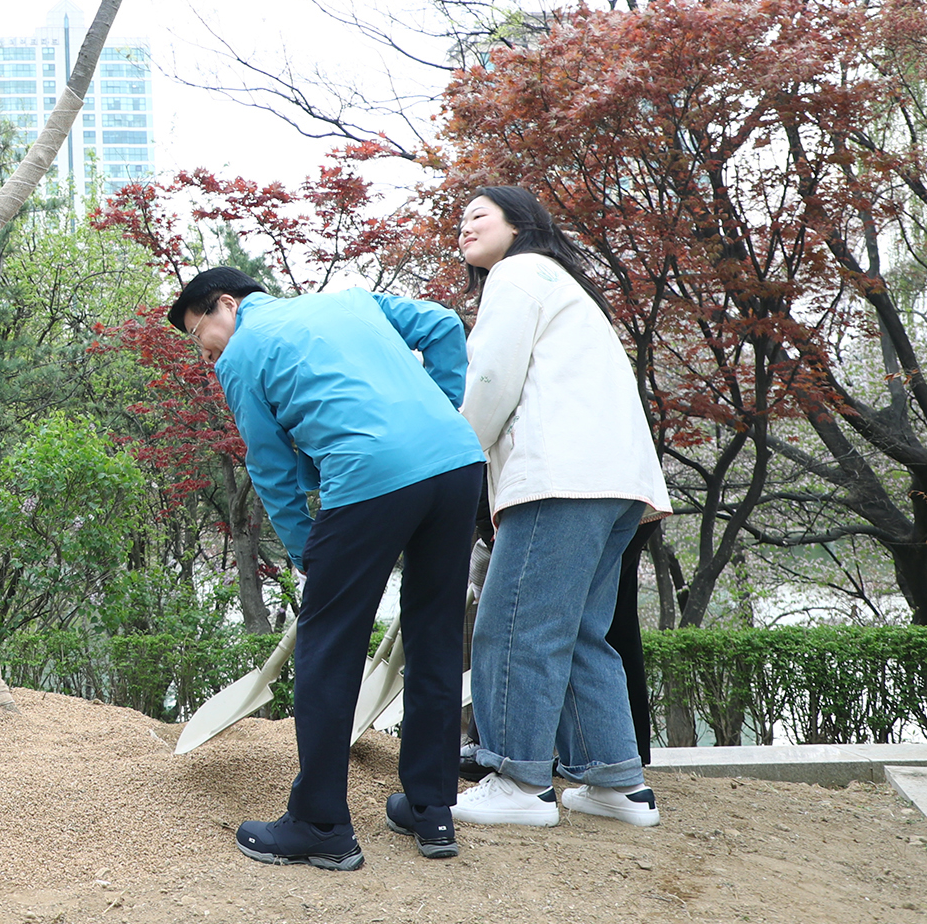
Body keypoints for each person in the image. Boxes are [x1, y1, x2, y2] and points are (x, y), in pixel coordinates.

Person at [171, 267, 484, 872]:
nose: (201, 349)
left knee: (328, 643)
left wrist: (304, 553)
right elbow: (445, 325)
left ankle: (319, 822)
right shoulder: (350, 300)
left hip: (369, 478)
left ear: (226, 307)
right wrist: (440, 409)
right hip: (456, 463)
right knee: (435, 634)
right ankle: (432, 810)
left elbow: (271, 470)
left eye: (196, 332)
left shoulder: (240, 356)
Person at [452, 186, 672, 830]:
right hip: (617, 485)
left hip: (560, 478)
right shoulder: (567, 287)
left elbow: (489, 380)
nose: (464, 227)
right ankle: (613, 784)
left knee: (514, 624)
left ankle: (518, 779)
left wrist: (458, 458)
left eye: (479, 215)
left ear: (519, 226)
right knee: (578, 631)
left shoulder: (518, 274)